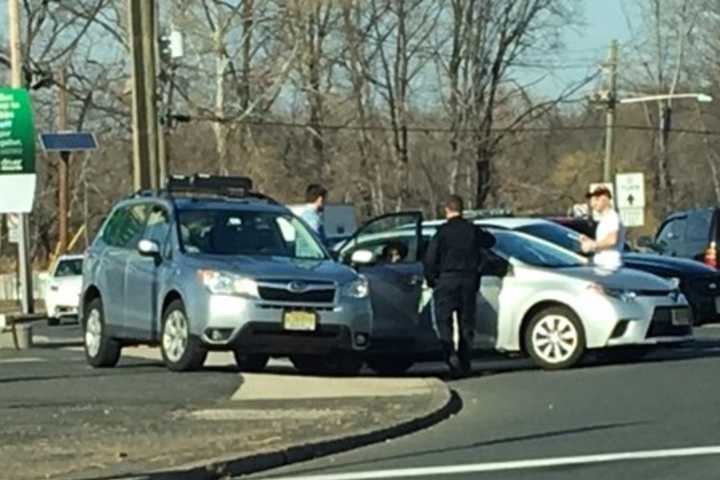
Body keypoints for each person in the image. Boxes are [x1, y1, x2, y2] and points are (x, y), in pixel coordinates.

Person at [423, 195, 496, 379]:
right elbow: (490, 241)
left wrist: (432, 279)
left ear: (447, 210)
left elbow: (430, 259)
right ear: (462, 210)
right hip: (469, 280)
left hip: (446, 280)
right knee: (466, 323)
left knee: (443, 321)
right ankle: (465, 362)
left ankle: (451, 358)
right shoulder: (471, 230)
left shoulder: (442, 232)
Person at [580, 186, 626, 270]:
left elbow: (612, 240)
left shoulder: (612, 217)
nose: (592, 204)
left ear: (604, 199)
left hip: (609, 266)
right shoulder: (605, 219)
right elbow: (605, 241)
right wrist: (589, 241)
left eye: (596, 199)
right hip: (603, 266)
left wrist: (592, 245)